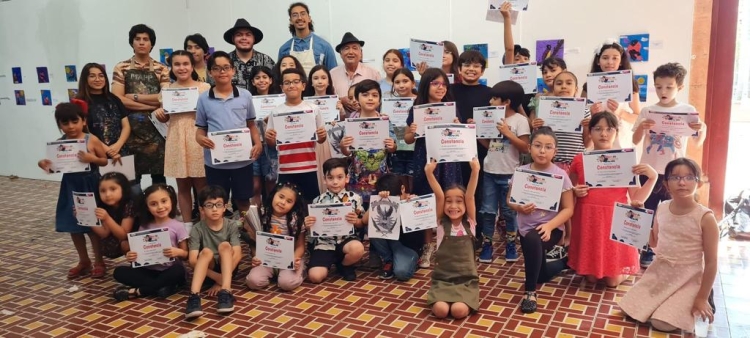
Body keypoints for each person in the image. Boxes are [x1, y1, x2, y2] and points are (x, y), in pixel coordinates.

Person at [619, 158, 719, 333]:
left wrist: (701, 298)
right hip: (660, 273)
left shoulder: (706, 218)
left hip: (688, 277)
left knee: (661, 324)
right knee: (628, 310)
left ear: (699, 182)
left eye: (689, 177)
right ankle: (664, 304)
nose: (681, 182)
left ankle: (702, 298)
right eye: (675, 178)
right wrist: (639, 215)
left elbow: (711, 263)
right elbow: (653, 241)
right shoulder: (663, 208)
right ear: (666, 183)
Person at [568, 112, 658, 287]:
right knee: (591, 277)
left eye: (609, 129)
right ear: (590, 132)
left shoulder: (626, 160)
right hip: (589, 218)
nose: (603, 134)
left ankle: (625, 263)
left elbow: (636, 197)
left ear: (616, 131)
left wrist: (653, 178)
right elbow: (568, 191)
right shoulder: (579, 160)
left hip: (614, 219)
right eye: (598, 129)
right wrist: (574, 191)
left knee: (612, 282)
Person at [631, 63, 706, 268]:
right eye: (658, 86)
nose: (663, 91)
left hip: (675, 172)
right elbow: (636, 140)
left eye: (669, 87)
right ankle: (646, 249)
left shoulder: (688, 110)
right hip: (649, 169)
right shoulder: (648, 110)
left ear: (679, 87)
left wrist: (700, 129)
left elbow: (698, 141)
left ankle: (667, 248)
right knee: (648, 208)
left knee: (671, 211)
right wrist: (643, 128)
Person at [38, 101, 109, 278]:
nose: (70, 126)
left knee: (92, 225)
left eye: (74, 121)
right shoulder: (59, 144)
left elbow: (104, 161)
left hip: (90, 184)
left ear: (83, 121)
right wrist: (43, 164)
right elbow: (52, 165)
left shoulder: (91, 139)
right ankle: (83, 260)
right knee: (73, 224)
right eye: (65, 123)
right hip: (70, 186)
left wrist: (91, 157)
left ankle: (99, 260)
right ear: (60, 125)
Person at [508, 127, 574, 313]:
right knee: (540, 274)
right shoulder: (521, 172)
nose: (542, 151)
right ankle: (563, 261)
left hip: (550, 229)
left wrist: (550, 226)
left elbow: (569, 208)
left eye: (548, 147)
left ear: (555, 151)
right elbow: (509, 200)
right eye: (537, 146)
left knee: (532, 241)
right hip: (525, 227)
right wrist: (518, 207)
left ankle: (530, 293)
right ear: (529, 148)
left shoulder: (561, 175)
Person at [195, 51, 263, 229]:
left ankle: (250, 233)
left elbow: (251, 124)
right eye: (217, 69)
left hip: (242, 161)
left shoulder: (245, 95)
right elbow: (200, 130)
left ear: (233, 71)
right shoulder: (203, 99)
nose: (222, 72)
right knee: (216, 202)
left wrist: (258, 143)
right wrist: (201, 139)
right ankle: (219, 234)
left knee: (243, 200)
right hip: (215, 163)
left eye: (226, 68)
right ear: (210, 73)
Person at [404, 68, 461, 268]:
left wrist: (457, 125)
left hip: (449, 160)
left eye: (444, 84)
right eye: (436, 83)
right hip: (425, 159)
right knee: (427, 201)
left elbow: (460, 136)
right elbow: (408, 139)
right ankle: (427, 246)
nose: (441, 88)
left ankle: (446, 245)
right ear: (426, 85)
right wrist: (411, 131)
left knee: (451, 200)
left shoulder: (451, 108)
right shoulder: (417, 107)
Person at [154, 50, 211, 232]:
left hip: (198, 138)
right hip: (176, 139)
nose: (181, 68)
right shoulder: (167, 91)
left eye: (185, 64)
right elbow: (166, 119)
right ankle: (186, 228)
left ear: (192, 66)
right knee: (183, 185)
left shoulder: (204, 88)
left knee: (202, 186)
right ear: (171, 68)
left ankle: (205, 227)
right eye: (177, 64)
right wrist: (161, 115)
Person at [478, 81, 531, 264]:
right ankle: (487, 245)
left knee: (509, 212)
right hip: (490, 172)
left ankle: (510, 244)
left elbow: (525, 148)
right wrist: (478, 132)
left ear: (506, 101)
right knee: (488, 211)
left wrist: (508, 133)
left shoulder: (520, 120)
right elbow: (489, 145)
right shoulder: (491, 118)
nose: (491, 101)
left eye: (494, 98)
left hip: (510, 174)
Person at [112, 24, 170, 191]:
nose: (142, 42)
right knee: (131, 175)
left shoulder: (161, 68)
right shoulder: (121, 67)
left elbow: (165, 99)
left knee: (159, 174)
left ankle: (161, 211)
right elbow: (118, 100)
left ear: (152, 44)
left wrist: (134, 97)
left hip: (157, 128)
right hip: (130, 129)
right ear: (132, 42)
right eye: (138, 39)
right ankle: (135, 211)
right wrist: (152, 103)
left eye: (146, 39)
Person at [425, 157, 481, 319]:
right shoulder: (441, 223)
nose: (453, 206)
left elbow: (470, 196)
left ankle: (465, 300)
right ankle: (441, 297)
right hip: (442, 280)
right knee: (441, 311)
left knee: (458, 311)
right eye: (449, 202)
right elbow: (439, 195)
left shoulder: (470, 223)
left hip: (466, 282)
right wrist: (429, 172)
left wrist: (475, 170)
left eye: (459, 201)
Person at [112, 184, 188, 301]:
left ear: (171, 201)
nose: (160, 207)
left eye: (164, 201)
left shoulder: (178, 226)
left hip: (169, 270)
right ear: (147, 207)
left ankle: (138, 291)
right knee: (118, 272)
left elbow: (185, 254)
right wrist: (131, 256)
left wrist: (177, 252)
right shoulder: (144, 226)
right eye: (153, 204)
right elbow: (138, 251)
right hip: (148, 270)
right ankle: (162, 287)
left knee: (179, 271)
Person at [265, 68, 328, 202]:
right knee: (286, 206)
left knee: (311, 204)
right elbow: (272, 143)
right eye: (287, 82)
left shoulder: (313, 109)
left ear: (303, 85)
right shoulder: (276, 112)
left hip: (309, 167)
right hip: (285, 169)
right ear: (282, 87)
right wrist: (269, 138)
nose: (291, 85)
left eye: (295, 82)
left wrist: (322, 135)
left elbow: (321, 139)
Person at [304, 158, 366, 282]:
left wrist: (356, 221)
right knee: (315, 277)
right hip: (325, 243)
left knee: (357, 248)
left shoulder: (355, 198)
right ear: (324, 179)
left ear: (347, 178)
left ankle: (344, 265)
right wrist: (307, 225)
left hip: (346, 241)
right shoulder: (318, 201)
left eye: (339, 177)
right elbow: (312, 230)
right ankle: (327, 261)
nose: (335, 182)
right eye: (330, 178)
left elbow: (360, 223)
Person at [185, 185, 242, 319]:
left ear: (224, 207)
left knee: (225, 246)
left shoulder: (231, 225)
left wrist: (221, 282)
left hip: (228, 267)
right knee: (205, 252)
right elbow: (192, 260)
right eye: (209, 205)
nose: (215, 209)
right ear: (201, 209)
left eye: (218, 204)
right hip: (207, 271)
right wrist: (217, 277)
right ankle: (194, 297)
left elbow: (238, 254)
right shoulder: (197, 229)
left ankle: (226, 291)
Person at [339, 79, 397, 201]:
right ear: (357, 98)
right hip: (357, 177)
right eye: (365, 95)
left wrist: (392, 146)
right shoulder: (351, 122)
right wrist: (343, 146)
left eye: (374, 95)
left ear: (379, 100)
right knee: (360, 209)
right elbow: (347, 152)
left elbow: (393, 148)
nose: (370, 98)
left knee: (379, 207)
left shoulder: (385, 120)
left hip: (382, 176)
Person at [245, 182, 307, 291]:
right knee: (253, 281)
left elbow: (300, 246)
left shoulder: (295, 220)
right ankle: (272, 275)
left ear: (294, 204)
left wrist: (294, 259)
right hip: (267, 260)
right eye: (281, 197)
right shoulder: (262, 214)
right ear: (273, 194)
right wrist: (256, 257)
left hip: (288, 261)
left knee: (286, 284)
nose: (283, 203)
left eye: (289, 201)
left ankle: (299, 272)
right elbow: (255, 242)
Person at [582, 41, 640, 149]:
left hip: (621, 140)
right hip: (596, 140)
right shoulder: (589, 86)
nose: (610, 62)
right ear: (598, 61)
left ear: (621, 61)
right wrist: (591, 113)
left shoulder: (630, 85)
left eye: (615, 58)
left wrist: (620, 112)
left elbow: (638, 118)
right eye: (605, 58)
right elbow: (581, 116)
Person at [368, 174, 420, 280]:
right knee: (372, 223)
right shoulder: (381, 199)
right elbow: (364, 220)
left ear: (403, 188)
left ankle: (410, 260)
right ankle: (389, 260)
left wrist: (417, 204)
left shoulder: (412, 200)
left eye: (395, 198)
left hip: (407, 246)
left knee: (402, 273)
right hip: (389, 241)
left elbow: (426, 217)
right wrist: (379, 201)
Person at [77, 63, 131, 161]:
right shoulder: (80, 102)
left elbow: (126, 126)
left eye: (101, 76)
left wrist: (118, 145)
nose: (98, 79)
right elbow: (85, 131)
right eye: (92, 76)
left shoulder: (114, 99)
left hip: (120, 151)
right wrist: (107, 150)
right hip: (95, 153)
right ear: (85, 79)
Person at [248, 66, 281, 207]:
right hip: (253, 145)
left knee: (271, 182)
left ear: (271, 80)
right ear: (253, 82)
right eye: (257, 78)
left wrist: (272, 121)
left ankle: (270, 213)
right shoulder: (247, 100)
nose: (261, 81)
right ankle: (256, 218)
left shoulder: (279, 101)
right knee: (254, 185)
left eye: (264, 77)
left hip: (272, 146)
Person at [278, 2, 337, 74]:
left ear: (309, 18)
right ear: (291, 21)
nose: (299, 18)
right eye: (295, 15)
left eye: (303, 14)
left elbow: (334, 74)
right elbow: (280, 77)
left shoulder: (325, 47)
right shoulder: (284, 49)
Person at [90, 172, 138, 261]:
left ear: (123, 189)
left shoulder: (129, 204)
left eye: (113, 189)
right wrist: (87, 218)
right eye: (103, 191)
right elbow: (104, 233)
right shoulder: (104, 206)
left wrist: (107, 218)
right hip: (115, 242)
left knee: (125, 244)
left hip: (137, 238)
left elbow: (123, 235)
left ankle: (136, 264)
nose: (107, 194)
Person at [330, 32, 381, 109]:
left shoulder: (373, 74)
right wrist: (341, 100)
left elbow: (380, 100)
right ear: (340, 54)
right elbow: (327, 99)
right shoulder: (332, 74)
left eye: (354, 48)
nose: (350, 52)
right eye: (346, 48)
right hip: (339, 120)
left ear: (361, 53)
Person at [223, 18, 275, 90]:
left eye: (248, 35)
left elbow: (275, 86)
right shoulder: (225, 61)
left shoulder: (266, 60)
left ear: (254, 39)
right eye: (239, 35)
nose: (244, 38)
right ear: (233, 39)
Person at [389, 68, 418, 193]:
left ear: (413, 83)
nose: (401, 85)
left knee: (414, 184)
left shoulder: (420, 102)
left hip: (416, 149)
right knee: (400, 184)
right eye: (397, 82)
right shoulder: (388, 103)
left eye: (405, 81)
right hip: (397, 149)